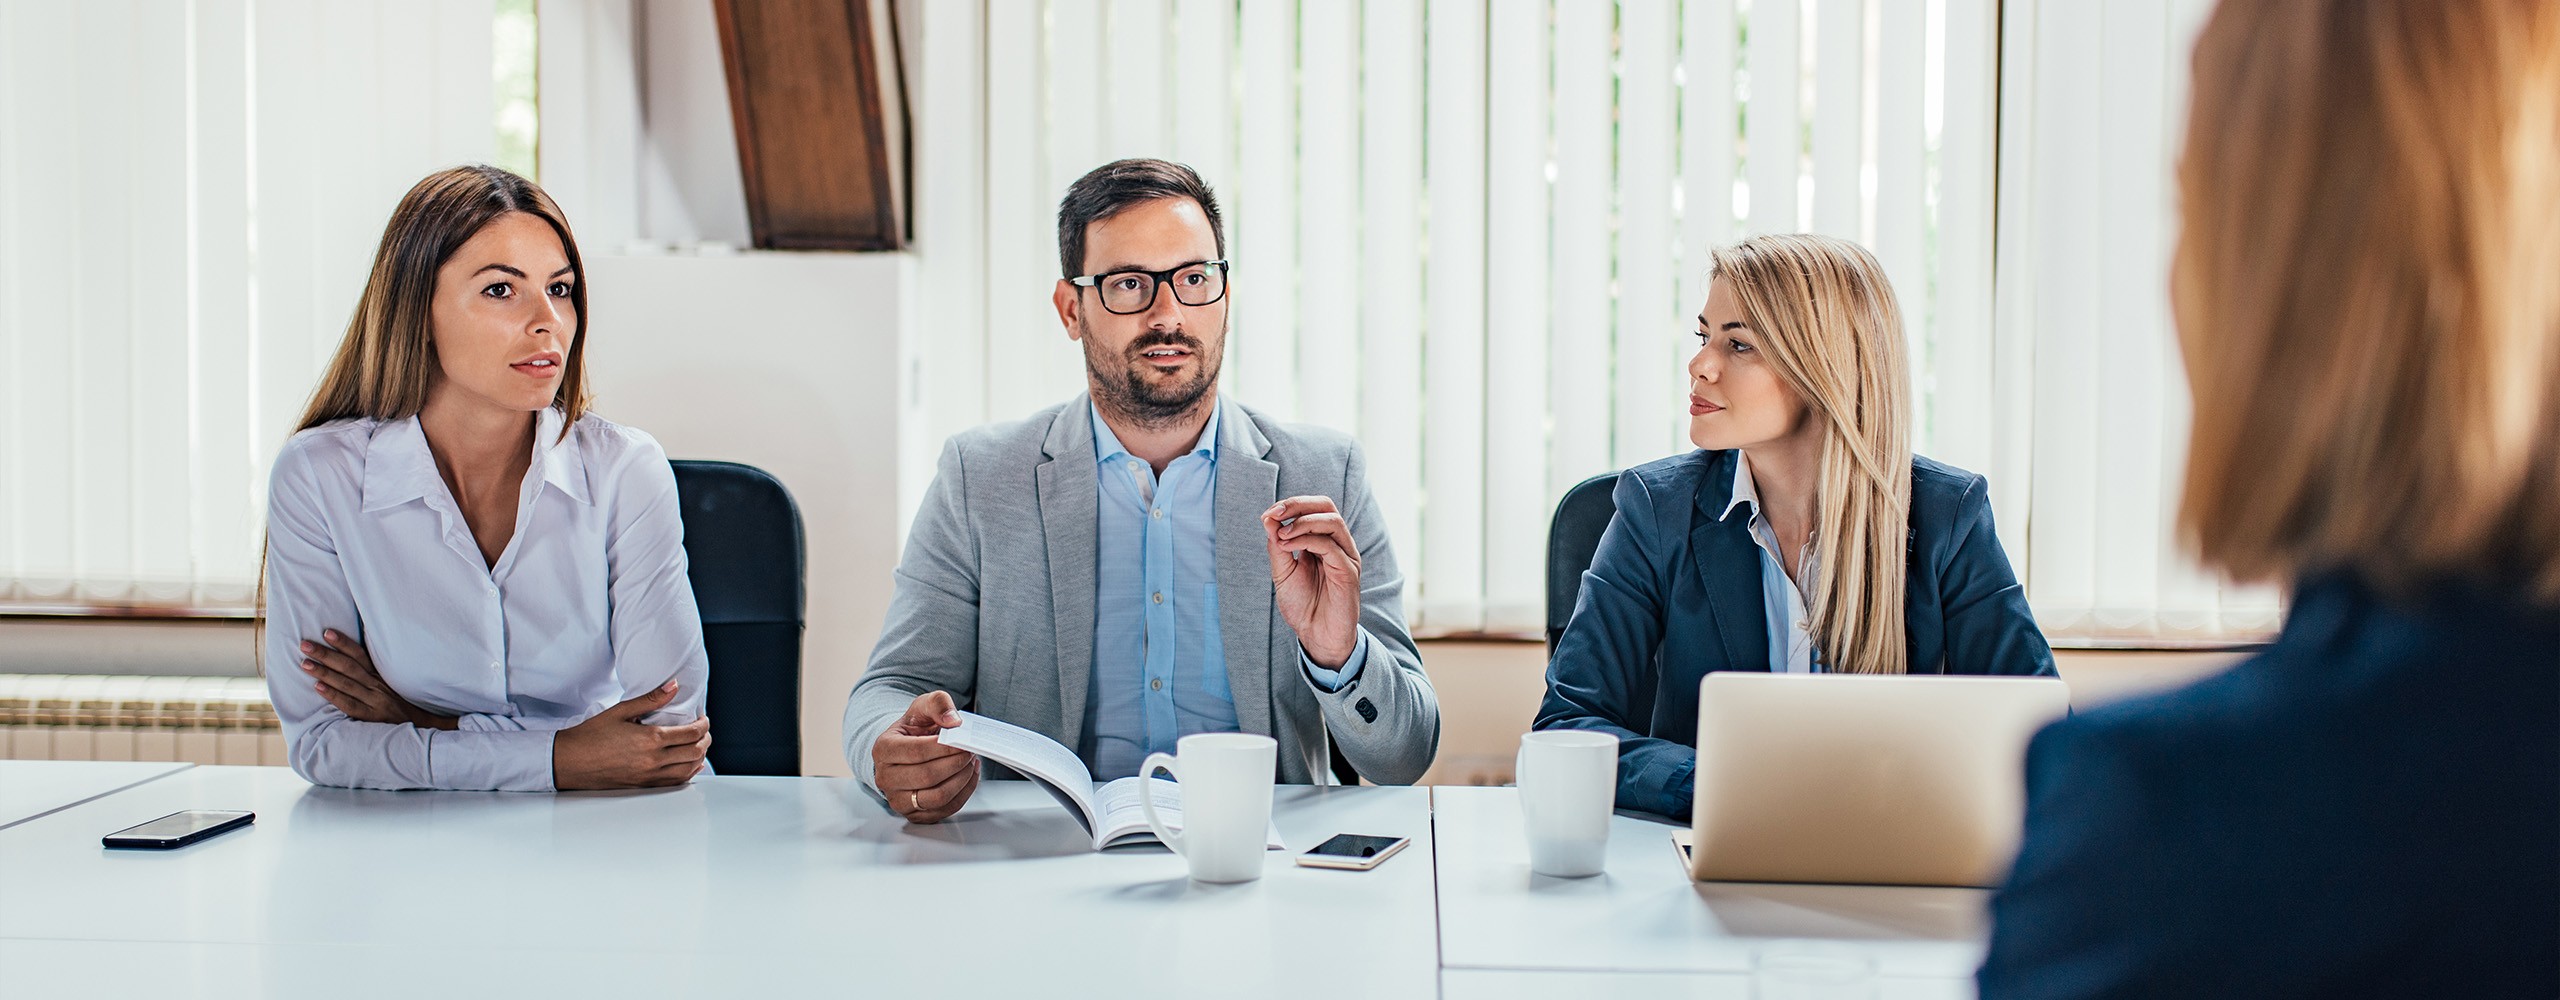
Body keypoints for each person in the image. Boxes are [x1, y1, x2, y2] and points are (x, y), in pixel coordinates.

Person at [1975, 2, 2559, 995]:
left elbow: (2019, 679)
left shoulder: (2168, 821)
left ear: (2274, 272)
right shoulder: (1646, 512)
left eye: (2190, 204)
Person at [843, 158, 1440, 822]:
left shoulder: (1323, 476)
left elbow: (1405, 756)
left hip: (1254, 861)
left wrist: (1338, 655)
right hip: (1039, 861)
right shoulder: (979, 479)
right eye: (1129, 284)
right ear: (1072, 310)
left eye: (1193, 279)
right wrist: (886, 748)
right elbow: (886, 690)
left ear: (1226, 298)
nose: (1168, 314)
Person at [1535, 233, 2056, 818]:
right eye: (1706, 337)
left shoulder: (1946, 514)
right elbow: (1567, 726)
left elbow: (2038, 728)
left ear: (1823, 368)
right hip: (1709, 853)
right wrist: (1729, 784)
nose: (1700, 364)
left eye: (1739, 345)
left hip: (1892, 862)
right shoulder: (1656, 508)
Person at [261, 165, 712, 792]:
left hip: (617, 834)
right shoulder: (320, 476)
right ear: (418, 310)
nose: (547, 320)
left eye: (560, 289)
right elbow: (322, 744)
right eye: (502, 291)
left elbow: (668, 739)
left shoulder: (625, 471)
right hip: (413, 846)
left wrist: (421, 725)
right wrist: (564, 757)